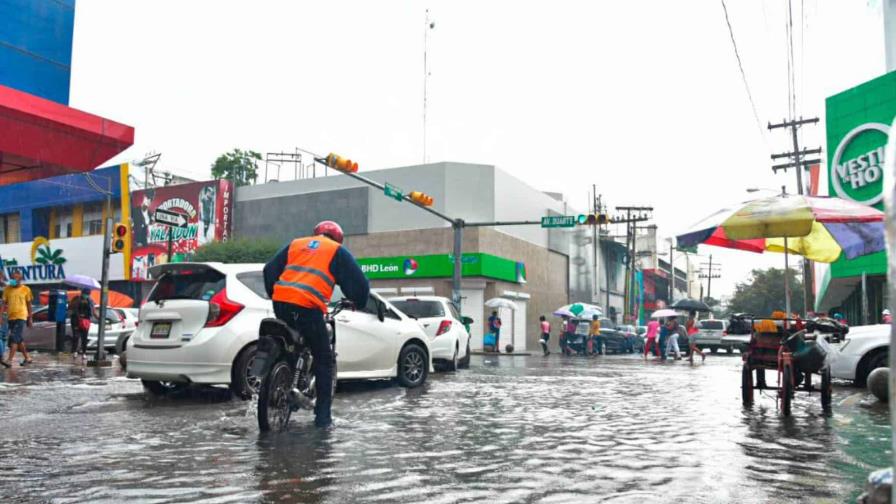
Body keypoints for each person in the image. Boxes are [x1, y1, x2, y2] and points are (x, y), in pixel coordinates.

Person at [263, 221, 369, 428]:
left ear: (316, 234)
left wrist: (275, 295)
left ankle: (288, 381)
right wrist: (359, 301)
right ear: (338, 238)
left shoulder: (296, 244)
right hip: (308, 308)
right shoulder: (336, 251)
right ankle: (323, 418)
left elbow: (269, 270)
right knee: (324, 359)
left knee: (293, 347)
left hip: (281, 303)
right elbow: (360, 285)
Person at [2, 270, 33, 366]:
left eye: (15, 278)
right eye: (12, 278)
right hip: (11, 317)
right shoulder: (7, 289)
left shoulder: (26, 289)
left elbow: (29, 305)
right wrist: (1, 316)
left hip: (21, 316)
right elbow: (4, 304)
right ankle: (27, 358)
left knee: (14, 338)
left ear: (20, 279)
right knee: (18, 339)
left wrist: (30, 318)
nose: (13, 280)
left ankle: (9, 360)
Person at [69, 289, 95, 359]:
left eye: (88, 294)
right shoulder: (76, 299)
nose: (86, 296)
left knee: (84, 337)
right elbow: (72, 309)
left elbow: (92, 311)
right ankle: (75, 352)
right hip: (76, 321)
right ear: (82, 293)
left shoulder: (90, 301)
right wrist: (78, 316)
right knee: (76, 337)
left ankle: (84, 352)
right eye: (86, 294)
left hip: (85, 322)